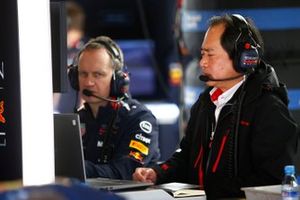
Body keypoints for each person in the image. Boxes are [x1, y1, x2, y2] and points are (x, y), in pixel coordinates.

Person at [132, 14, 300, 199]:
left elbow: (272, 182)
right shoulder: (206, 103)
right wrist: (157, 173)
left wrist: (210, 191)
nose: (202, 62)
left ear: (243, 58)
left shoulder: (269, 110)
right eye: (202, 54)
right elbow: (186, 157)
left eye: (210, 54)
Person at [67, 36, 160, 180]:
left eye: (98, 74)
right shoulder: (76, 120)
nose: (89, 82)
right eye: (83, 74)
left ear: (117, 79)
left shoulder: (139, 119)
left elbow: (125, 171)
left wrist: (76, 168)